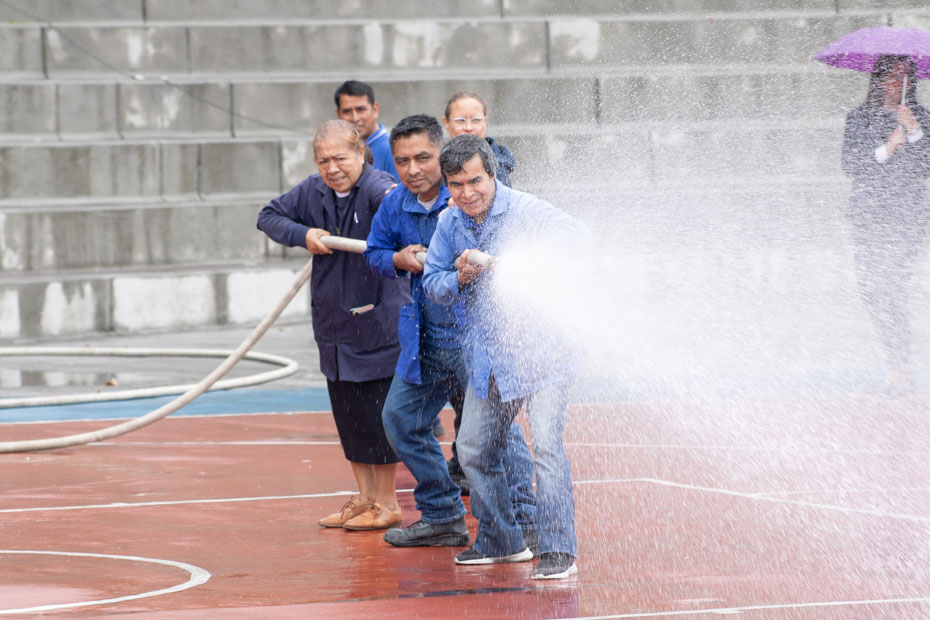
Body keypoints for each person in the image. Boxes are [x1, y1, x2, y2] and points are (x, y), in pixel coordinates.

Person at [364, 115, 537, 548]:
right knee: (401, 421)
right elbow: (373, 252)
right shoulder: (394, 203)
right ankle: (443, 515)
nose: (412, 169)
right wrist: (398, 259)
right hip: (425, 339)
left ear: (440, 156)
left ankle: (524, 518)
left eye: (423, 157)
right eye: (401, 160)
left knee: (496, 433)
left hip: (475, 338)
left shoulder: (467, 194)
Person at [422, 134, 584, 579]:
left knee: (548, 449)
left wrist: (525, 263)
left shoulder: (528, 210)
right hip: (490, 359)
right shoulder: (449, 224)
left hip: (545, 354)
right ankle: (501, 540)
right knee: (473, 448)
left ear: (492, 174)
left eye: (475, 180)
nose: (467, 192)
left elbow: (578, 240)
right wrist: (459, 277)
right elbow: (431, 285)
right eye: (456, 184)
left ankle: (557, 550)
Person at [257, 120, 407, 530]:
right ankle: (364, 497)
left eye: (340, 157)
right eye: (323, 160)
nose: (332, 167)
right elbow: (268, 216)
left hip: (376, 322)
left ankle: (387, 502)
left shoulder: (378, 187)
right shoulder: (312, 190)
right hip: (333, 323)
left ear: (360, 153)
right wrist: (303, 233)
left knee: (377, 414)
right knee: (348, 414)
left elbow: (401, 208)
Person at [841, 54, 930, 395]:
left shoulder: (920, 116)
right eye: (891, 76)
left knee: (890, 288)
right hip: (868, 217)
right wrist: (887, 148)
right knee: (871, 292)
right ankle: (896, 363)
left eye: (904, 76)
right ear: (878, 80)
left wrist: (915, 131)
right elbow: (850, 164)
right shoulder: (858, 118)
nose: (897, 82)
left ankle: (899, 371)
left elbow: (926, 167)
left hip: (906, 218)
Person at [442, 91, 515, 187]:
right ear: (446, 122)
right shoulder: (435, 163)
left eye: (476, 120)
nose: (468, 128)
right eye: (460, 121)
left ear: (486, 121)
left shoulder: (499, 167)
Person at [335, 80, 399, 180]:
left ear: (375, 109)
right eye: (347, 111)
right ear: (338, 114)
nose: (355, 118)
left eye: (361, 110)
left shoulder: (393, 148)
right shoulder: (337, 150)